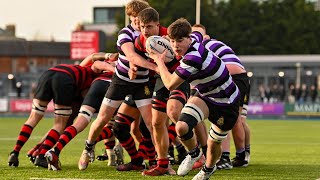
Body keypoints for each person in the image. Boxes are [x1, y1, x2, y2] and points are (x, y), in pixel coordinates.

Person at [147, 18, 240, 179]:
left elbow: (170, 84)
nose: (175, 46)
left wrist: (158, 61)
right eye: (173, 41)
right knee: (182, 127)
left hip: (227, 102)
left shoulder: (192, 58)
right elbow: (198, 32)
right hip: (205, 95)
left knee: (213, 143)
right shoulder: (194, 38)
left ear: (188, 39)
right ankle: (194, 153)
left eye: (180, 41)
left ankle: (208, 169)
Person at [77, 0, 158, 171]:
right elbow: (132, 57)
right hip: (121, 81)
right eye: (133, 17)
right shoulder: (125, 34)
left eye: (139, 16)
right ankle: (88, 148)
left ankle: (157, 162)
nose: (136, 20)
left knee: (151, 124)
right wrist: (156, 67)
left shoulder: (150, 32)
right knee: (103, 119)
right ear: (129, 17)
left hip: (141, 84)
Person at [131, 7, 189, 176]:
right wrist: (134, 66)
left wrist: (173, 49)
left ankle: (196, 152)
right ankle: (163, 164)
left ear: (158, 25)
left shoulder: (169, 35)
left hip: (179, 77)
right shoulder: (140, 41)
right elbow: (136, 57)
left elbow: (188, 48)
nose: (145, 31)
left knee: (175, 113)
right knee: (156, 122)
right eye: (142, 27)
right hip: (161, 80)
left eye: (149, 27)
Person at [8, 63, 98, 168]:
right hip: (65, 79)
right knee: (60, 124)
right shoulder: (98, 73)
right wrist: (110, 58)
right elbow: (96, 59)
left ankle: (15, 152)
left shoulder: (86, 66)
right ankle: (41, 156)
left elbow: (94, 57)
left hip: (48, 73)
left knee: (33, 118)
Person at [192, 24, 251, 169]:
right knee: (239, 119)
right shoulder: (212, 44)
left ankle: (224, 158)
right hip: (240, 78)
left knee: (224, 116)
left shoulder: (199, 47)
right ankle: (242, 156)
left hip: (232, 78)